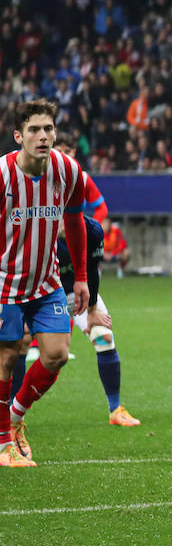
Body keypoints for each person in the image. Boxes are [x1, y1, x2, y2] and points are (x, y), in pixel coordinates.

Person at [0, 100, 91, 468]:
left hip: (47, 282)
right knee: (7, 358)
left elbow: (75, 222)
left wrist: (81, 277)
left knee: (55, 354)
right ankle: (4, 441)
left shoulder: (68, 171)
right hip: (5, 284)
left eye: (49, 129)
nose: (43, 136)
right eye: (35, 130)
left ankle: (17, 417)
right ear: (18, 136)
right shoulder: (3, 177)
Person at [16, 214, 140, 427]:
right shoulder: (41, 234)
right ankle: (13, 412)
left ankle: (116, 410)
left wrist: (92, 310)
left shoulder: (92, 232)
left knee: (103, 336)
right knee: (20, 344)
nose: (63, 221)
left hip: (78, 293)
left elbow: (91, 272)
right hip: (43, 294)